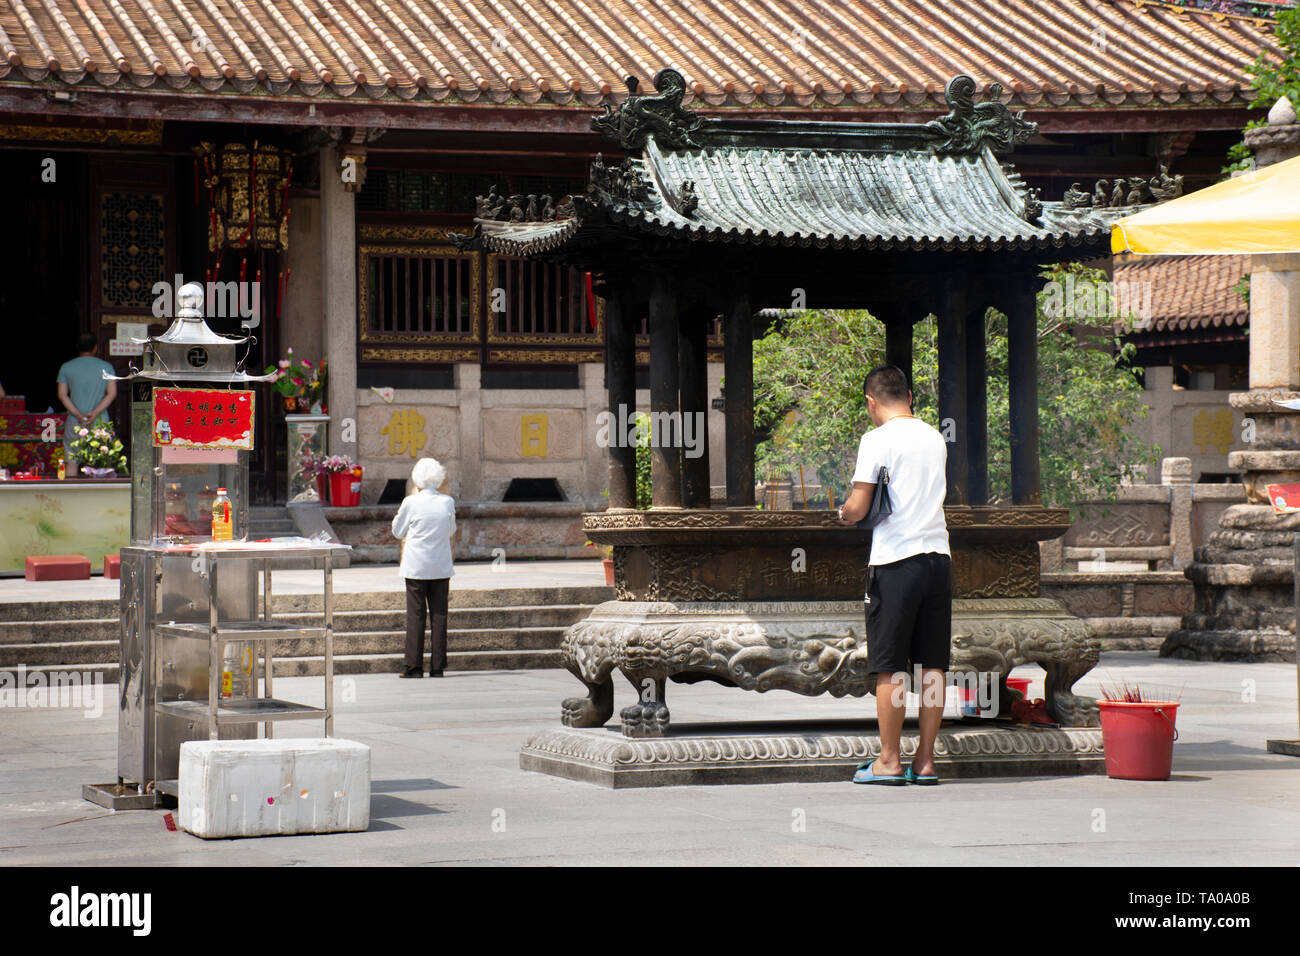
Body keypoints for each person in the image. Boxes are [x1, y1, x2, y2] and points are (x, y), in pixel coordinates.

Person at [838, 365, 951, 786]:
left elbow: (859, 506)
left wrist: (843, 514)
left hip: (895, 562)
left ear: (871, 401)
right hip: (938, 558)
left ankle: (888, 761)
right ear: (908, 396)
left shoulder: (877, 439)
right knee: (933, 666)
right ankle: (925, 761)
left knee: (892, 668)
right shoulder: (934, 436)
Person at [391, 457, 456, 678]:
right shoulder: (447, 502)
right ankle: (437, 666)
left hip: (416, 566)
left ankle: (413, 666)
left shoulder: (411, 502)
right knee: (439, 615)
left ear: (417, 479)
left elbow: (397, 531)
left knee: (416, 615)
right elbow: (450, 530)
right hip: (440, 565)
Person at [56, 332, 116, 477]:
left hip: (74, 421)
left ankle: (71, 496)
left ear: (77, 347)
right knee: (100, 462)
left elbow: (62, 395)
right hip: (100, 421)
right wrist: (94, 413)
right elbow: (112, 393)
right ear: (95, 348)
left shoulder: (66, 367)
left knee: (72, 460)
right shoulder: (106, 367)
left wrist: (77, 414)